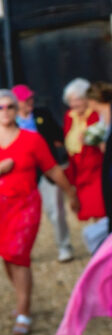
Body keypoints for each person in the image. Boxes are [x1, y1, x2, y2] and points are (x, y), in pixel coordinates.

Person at [0, 90, 79, 335]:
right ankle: (21, 299)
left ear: (17, 109)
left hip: (26, 205)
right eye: (0, 108)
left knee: (18, 254)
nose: (5, 111)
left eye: (9, 106)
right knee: (7, 255)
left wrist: (71, 193)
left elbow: (51, 169)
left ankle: (24, 310)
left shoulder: (32, 139)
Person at [13, 84, 74, 262]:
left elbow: (58, 136)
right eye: (25, 100)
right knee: (21, 214)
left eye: (31, 98)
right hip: (23, 173)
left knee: (56, 210)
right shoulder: (10, 121)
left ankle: (64, 246)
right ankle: (21, 248)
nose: (30, 102)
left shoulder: (43, 114)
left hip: (47, 169)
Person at [62, 78, 105, 225]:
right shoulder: (69, 116)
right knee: (91, 213)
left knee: (101, 210)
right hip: (80, 172)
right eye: (70, 101)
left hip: (97, 170)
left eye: (77, 100)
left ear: (87, 99)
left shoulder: (96, 115)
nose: (74, 104)